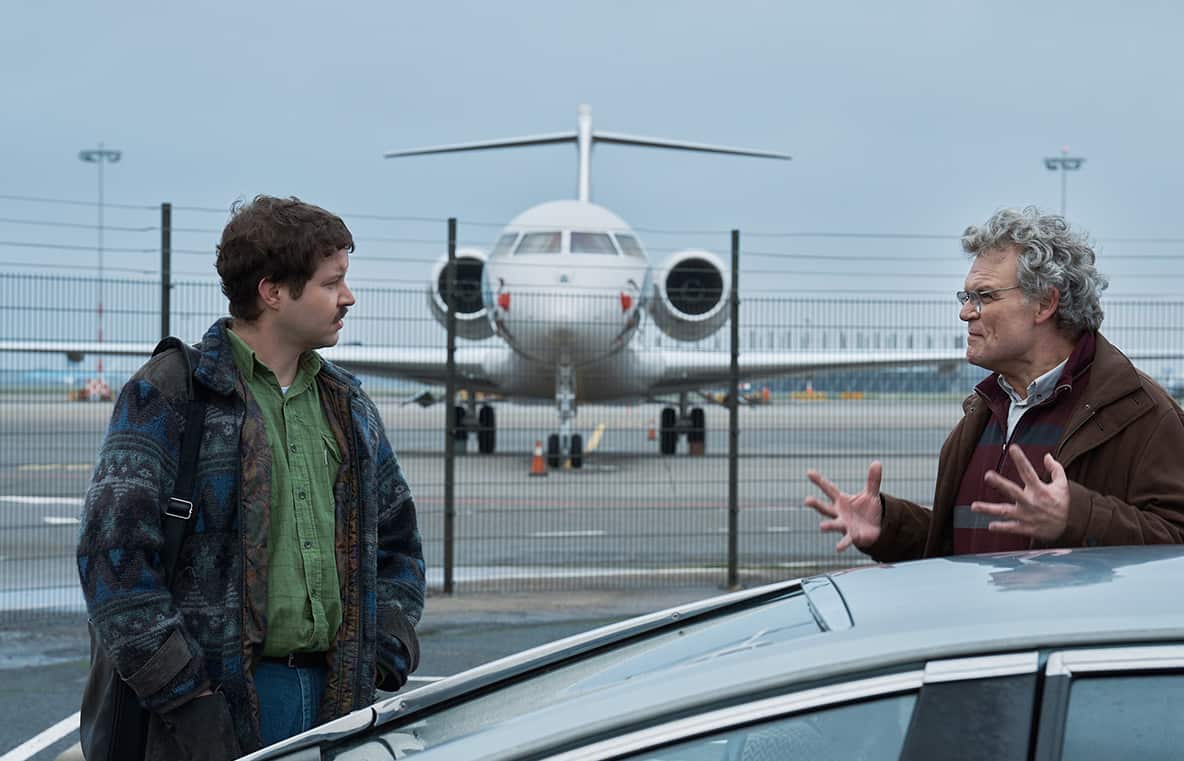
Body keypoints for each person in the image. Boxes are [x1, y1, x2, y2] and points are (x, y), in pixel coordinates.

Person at [77, 195, 426, 759]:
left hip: (339, 704)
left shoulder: (349, 405)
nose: (348, 297)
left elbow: (399, 544)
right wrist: (189, 702)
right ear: (272, 291)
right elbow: (112, 564)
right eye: (331, 282)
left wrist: (385, 646)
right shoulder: (170, 394)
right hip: (205, 714)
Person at [805, 206, 1184, 561]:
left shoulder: (1141, 413)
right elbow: (970, 549)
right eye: (966, 296)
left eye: (983, 296)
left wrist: (1077, 518)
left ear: (1044, 304)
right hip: (988, 631)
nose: (965, 312)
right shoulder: (986, 409)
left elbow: (1176, 544)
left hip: (1061, 633)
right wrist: (888, 527)